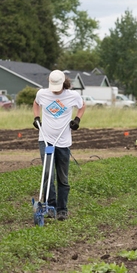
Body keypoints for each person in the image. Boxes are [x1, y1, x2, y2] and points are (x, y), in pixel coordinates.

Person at [32, 70, 86, 221]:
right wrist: (36, 117)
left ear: (64, 83)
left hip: (63, 141)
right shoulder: (42, 93)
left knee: (62, 177)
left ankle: (62, 210)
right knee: (48, 174)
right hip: (45, 139)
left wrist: (77, 120)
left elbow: (82, 106)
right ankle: (51, 207)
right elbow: (36, 103)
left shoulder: (72, 95)